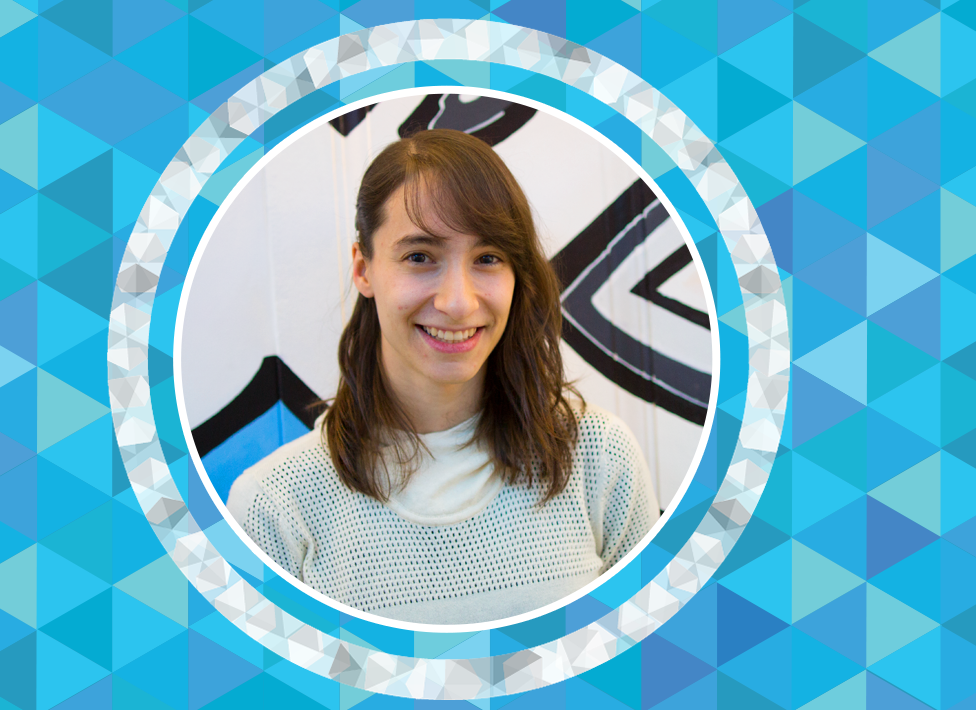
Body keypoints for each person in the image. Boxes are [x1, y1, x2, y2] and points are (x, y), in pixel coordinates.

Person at [226, 129, 658, 625]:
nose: (457, 302)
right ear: (364, 269)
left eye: (488, 258)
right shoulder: (276, 505)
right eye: (419, 257)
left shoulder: (599, 456)